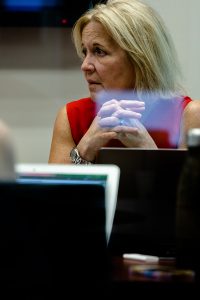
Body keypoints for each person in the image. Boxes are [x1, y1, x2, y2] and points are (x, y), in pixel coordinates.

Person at [48, 0, 200, 164]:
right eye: (85, 52)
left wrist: (148, 151)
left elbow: (187, 190)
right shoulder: (72, 117)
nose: (85, 66)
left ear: (140, 58)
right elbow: (56, 190)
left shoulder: (190, 115)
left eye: (99, 51)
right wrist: (85, 149)